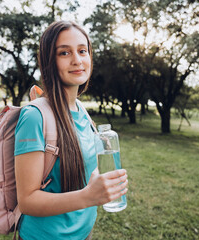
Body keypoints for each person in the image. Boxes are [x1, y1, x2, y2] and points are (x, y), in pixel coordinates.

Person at [14, 20, 128, 240]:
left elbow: (87, 170)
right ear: (49, 61)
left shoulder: (81, 110)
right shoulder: (34, 117)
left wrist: (103, 184)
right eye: (64, 53)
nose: (77, 60)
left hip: (84, 233)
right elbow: (27, 201)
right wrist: (89, 196)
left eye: (82, 51)